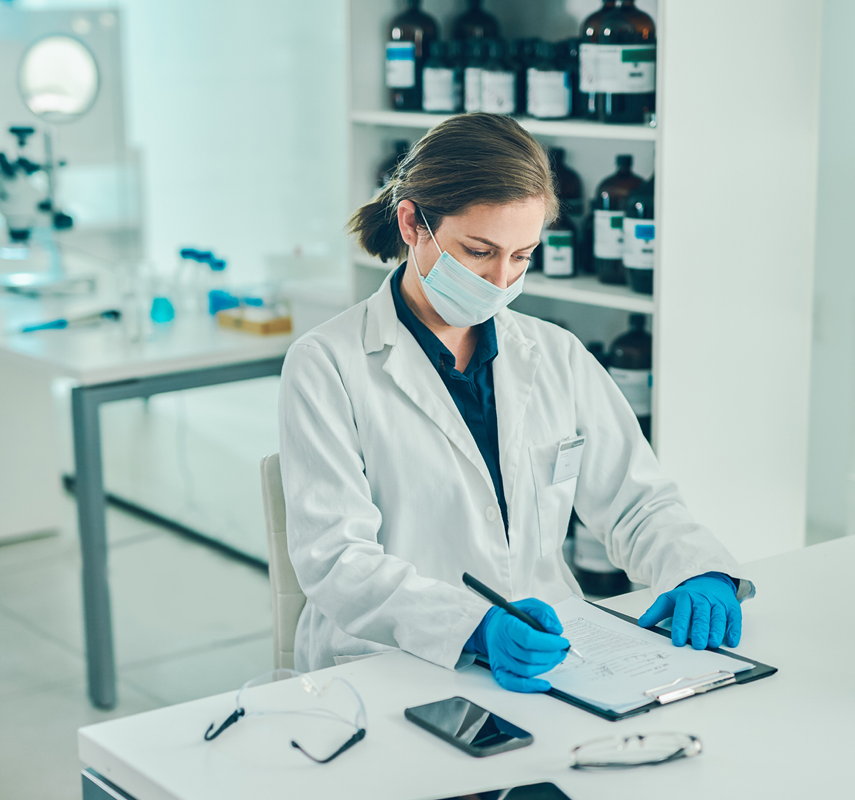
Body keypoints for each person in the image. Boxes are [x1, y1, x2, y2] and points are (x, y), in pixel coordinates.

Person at [278, 112, 754, 693]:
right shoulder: (327, 364)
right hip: (391, 667)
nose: (501, 281)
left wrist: (699, 569)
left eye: (522, 255)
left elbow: (635, 502)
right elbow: (337, 560)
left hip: (554, 658)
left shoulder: (555, 355)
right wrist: (473, 628)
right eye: (478, 251)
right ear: (412, 223)